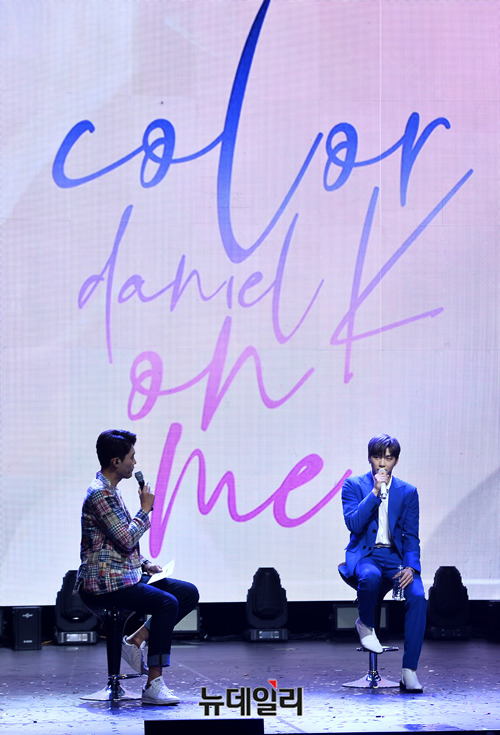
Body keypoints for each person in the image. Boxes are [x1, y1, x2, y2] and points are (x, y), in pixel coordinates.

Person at [75, 429, 199, 705]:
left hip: (123, 575)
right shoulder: (99, 494)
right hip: (105, 583)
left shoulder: (111, 491)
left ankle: (136, 639)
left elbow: (114, 543)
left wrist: (145, 564)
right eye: (131, 457)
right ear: (115, 461)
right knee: (166, 603)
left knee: (187, 593)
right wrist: (145, 509)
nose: (135, 462)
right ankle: (154, 684)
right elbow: (126, 538)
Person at [339, 434, 427, 692]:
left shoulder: (408, 492)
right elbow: (354, 524)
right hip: (366, 555)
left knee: (418, 596)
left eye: (388, 458)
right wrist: (375, 492)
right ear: (369, 458)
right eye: (378, 457)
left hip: (396, 560)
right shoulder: (353, 485)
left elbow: (411, 536)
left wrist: (411, 567)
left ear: (395, 461)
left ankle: (409, 671)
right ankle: (365, 625)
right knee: (370, 577)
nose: (382, 463)